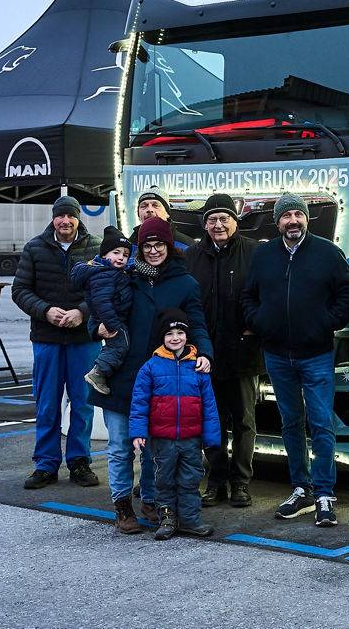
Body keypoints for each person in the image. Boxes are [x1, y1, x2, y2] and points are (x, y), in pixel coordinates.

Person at [87, 216, 213, 534]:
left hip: (162, 379)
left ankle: (150, 499)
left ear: (169, 246)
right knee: (119, 446)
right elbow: (96, 305)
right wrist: (94, 327)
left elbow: (196, 324)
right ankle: (122, 507)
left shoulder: (185, 283)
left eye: (159, 244)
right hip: (120, 373)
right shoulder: (124, 276)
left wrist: (205, 354)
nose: (153, 250)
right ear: (138, 248)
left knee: (153, 448)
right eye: (147, 245)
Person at [241, 192, 349, 527]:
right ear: (277, 222)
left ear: (306, 218)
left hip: (317, 354)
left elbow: (348, 293)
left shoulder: (327, 252)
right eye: (286, 215)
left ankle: (324, 493)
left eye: (297, 214)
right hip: (277, 355)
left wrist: (327, 322)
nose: (292, 221)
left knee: (320, 423)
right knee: (290, 423)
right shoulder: (263, 255)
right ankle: (300, 488)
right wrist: (260, 322)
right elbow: (249, 295)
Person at [11, 195, 102, 490]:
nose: (65, 221)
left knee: (83, 402)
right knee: (47, 403)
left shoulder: (96, 248)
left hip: (83, 339)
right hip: (47, 338)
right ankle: (46, 464)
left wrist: (82, 312)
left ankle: (79, 461)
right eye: (60, 216)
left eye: (70, 216)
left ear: (78, 218)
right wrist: (45, 311)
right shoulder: (35, 248)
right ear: (53, 218)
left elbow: (106, 289)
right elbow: (20, 290)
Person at [185, 193, 262, 509]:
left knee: (244, 422)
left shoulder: (255, 253)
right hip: (205, 355)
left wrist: (255, 325)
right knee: (210, 422)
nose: (218, 225)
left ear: (235, 221)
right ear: (205, 224)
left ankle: (241, 483)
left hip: (243, 353)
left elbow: (265, 295)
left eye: (224, 218)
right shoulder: (191, 256)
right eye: (212, 219)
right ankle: (216, 481)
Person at [129, 307, 221, 540]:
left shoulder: (199, 368)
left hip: (191, 439)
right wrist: (138, 432)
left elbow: (209, 407)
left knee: (190, 479)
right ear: (162, 338)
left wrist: (211, 439)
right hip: (162, 439)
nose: (175, 338)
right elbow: (140, 402)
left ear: (186, 336)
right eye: (169, 335)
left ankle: (190, 520)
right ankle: (167, 519)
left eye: (180, 333)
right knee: (164, 480)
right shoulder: (150, 367)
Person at [73, 226, 133, 396]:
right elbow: (102, 302)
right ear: (104, 254)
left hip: (113, 318)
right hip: (112, 320)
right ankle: (99, 372)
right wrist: (112, 324)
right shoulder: (103, 275)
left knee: (116, 347)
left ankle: (101, 370)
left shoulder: (113, 272)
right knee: (120, 345)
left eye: (125, 255)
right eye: (116, 253)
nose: (121, 258)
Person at [127, 187, 196, 252]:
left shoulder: (188, 246)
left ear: (167, 213)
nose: (149, 209)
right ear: (138, 215)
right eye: (144, 206)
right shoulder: (127, 247)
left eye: (155, 205)